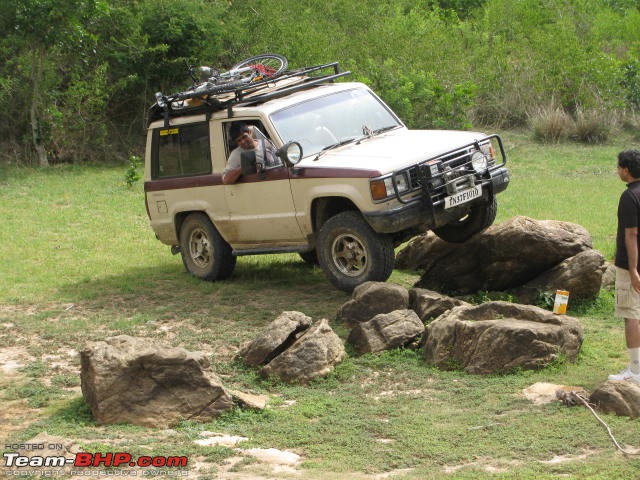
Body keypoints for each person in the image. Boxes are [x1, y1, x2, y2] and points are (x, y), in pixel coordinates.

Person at [609, 149, 640, 384]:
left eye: (619, 166)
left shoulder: (629, 197)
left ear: (626, 170)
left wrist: (633, 271)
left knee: (631, 314)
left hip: (632, 266)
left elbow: (631, 235)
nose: (617, 169)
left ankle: (636, 370)